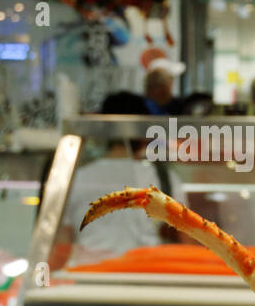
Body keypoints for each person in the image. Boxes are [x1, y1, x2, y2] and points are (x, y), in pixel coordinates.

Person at [57, 91, 187, 262]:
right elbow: (186, 241)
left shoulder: (77, 177)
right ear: (144, 134)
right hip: (145, 276)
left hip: (86, 275)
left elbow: (62, 245)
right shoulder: (164, 178)